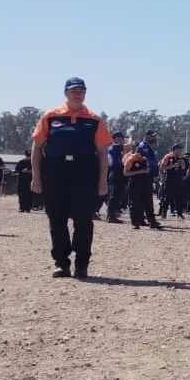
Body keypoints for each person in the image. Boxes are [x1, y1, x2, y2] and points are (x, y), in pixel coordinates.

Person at [30, 77, 111, 278]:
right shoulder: (50, 116)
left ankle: (81, 263)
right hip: (55, 170)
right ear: (66, 92)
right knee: (56, 218)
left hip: (84, 171)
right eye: (74, 90)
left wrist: (103, 181)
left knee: (83, 219)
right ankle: (61, 262)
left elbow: (102, 152)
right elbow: (37, 147)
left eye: (81, 91)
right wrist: (36, 177)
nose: (78, 94)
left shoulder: (94, 119)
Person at [125, 142, 162, 230]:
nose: (143, 156)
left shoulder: (145, 160)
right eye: (142, 154)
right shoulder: (131, 159)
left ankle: (152, 222)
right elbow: (125, 173)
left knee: (148, 203)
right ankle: (135, 222)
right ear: (138, 152)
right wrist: (139, 172)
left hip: (146, 182)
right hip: (135, 182)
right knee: (134, 203)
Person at [105, 131, 128, 222]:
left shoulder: (115, 148)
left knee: (117, 194)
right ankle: (111, 216)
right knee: (114, 195)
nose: (123, 140)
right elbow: (128, 146)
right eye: (122, 138)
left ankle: (113, 215)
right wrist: (131, 138)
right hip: (115, 172)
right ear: (117, 138)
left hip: (117, 172)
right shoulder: (114, 146)